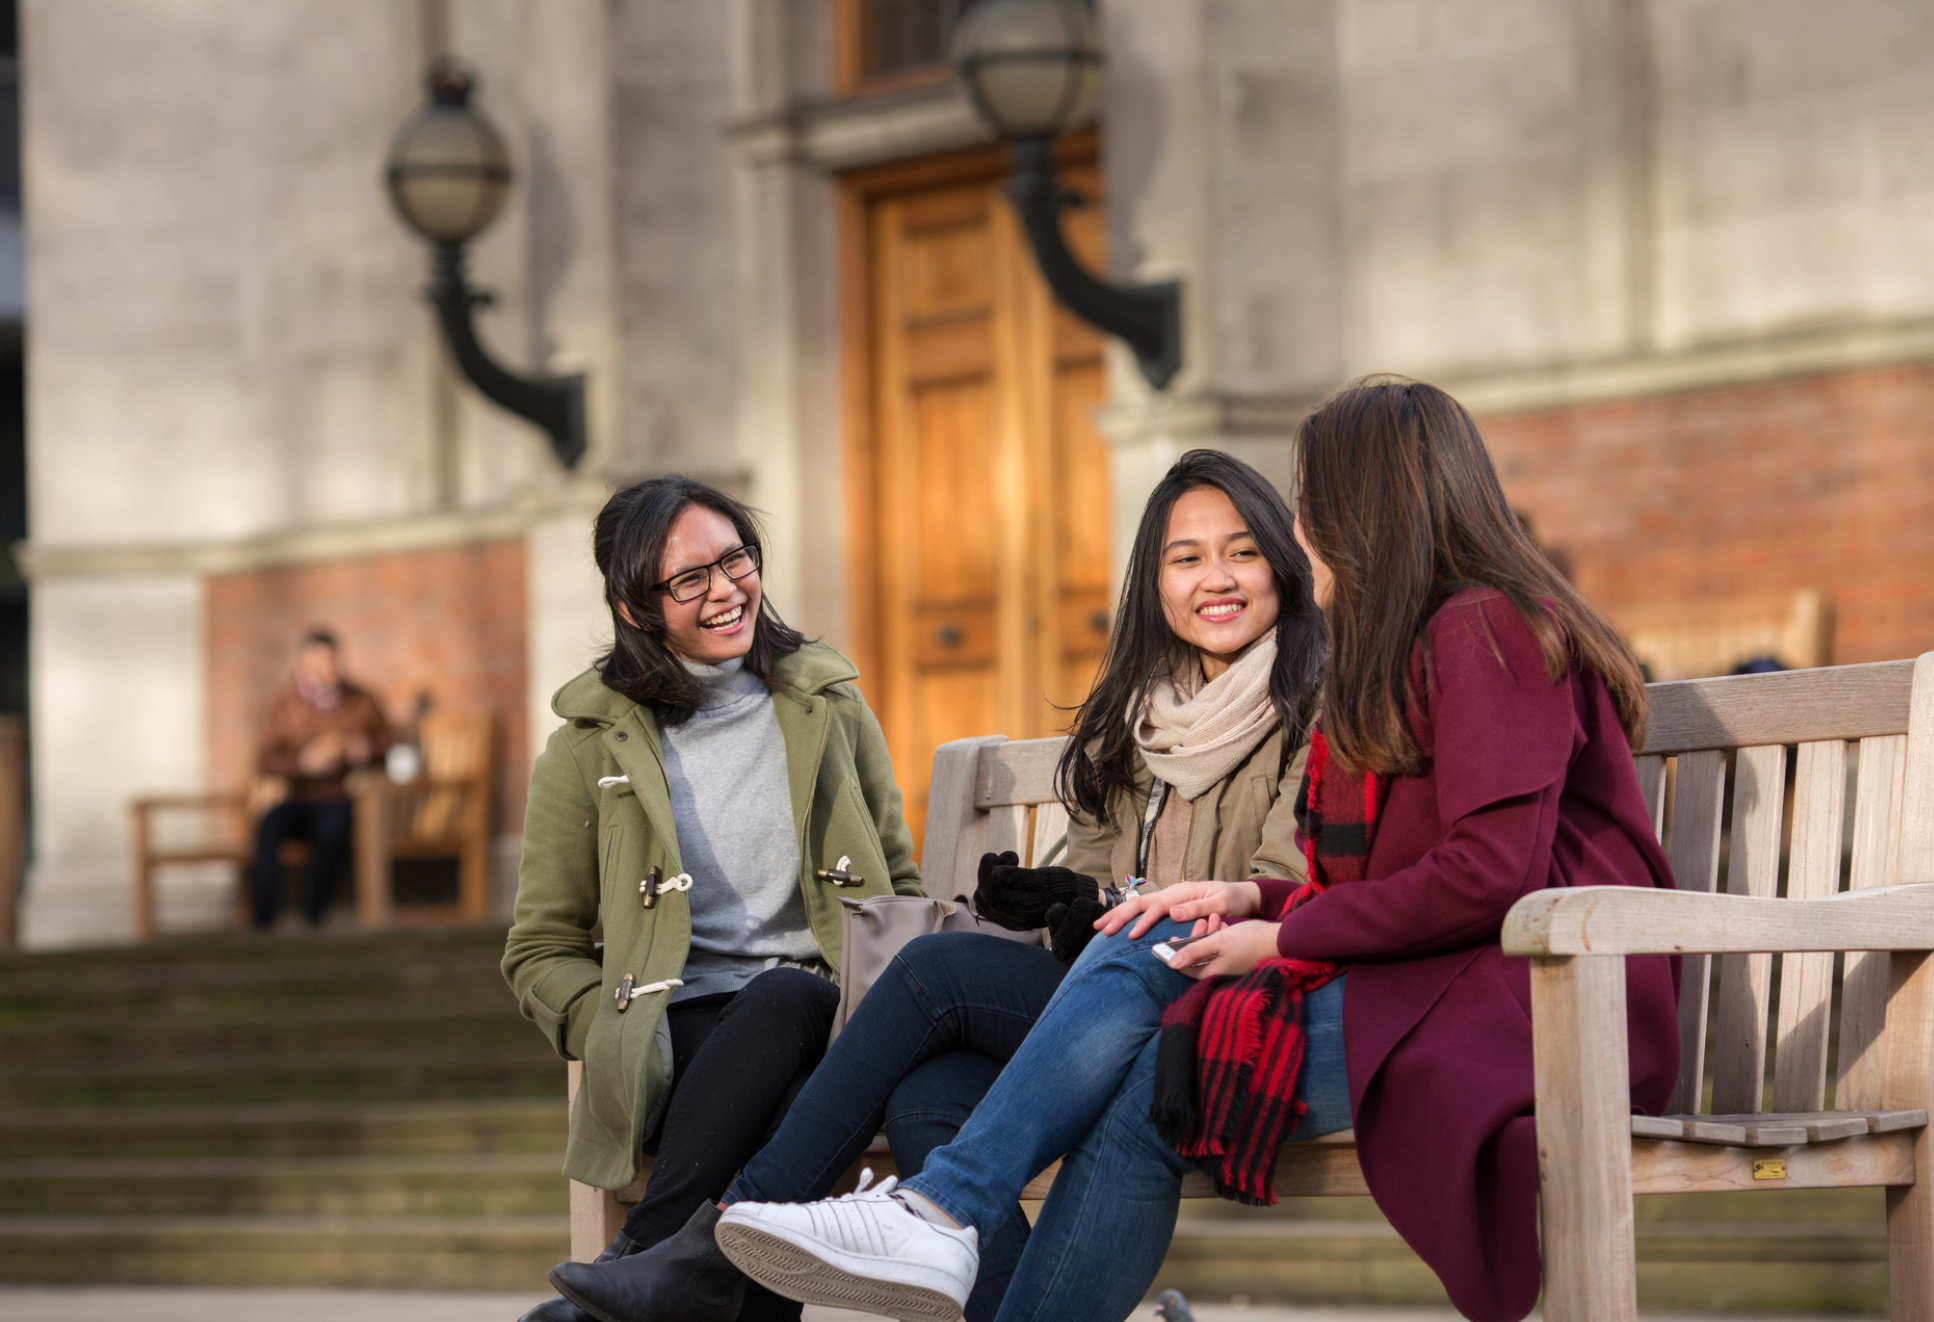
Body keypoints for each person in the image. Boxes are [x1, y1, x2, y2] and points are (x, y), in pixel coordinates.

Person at [716, 377, 1682, 1322]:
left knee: (1155, 1069)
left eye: (1307, 508)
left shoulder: (1487, 629)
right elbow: (1419, 876)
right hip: (1444, 979)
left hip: (1539, 1003)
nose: (1302, 534)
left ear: (1367, 507)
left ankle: (937, 1209)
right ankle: (941, 1211)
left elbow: (1489, 875)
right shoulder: (1423, 641)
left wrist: (1283, 935)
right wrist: (1253, 904)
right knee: (1157, 970)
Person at [545, 449, 1326, 1322]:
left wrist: (1104, 912)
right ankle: (709, 1257)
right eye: (1187, 558)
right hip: (1113, 991)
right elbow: (1094, 871)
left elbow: (1284, 884)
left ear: (1283, 566)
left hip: (1232, 991)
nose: (1214, 579)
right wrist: (1057, 900)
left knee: (930, 976)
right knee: (930, 1093)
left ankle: (707, 1249)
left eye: (1242, 551)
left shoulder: (1318, 700)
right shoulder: (1138, 709)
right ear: (1155, 578)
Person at [503, 475, 924, 1322]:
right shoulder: (587, 749)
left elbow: (898, 885)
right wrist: (615, 1031)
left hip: (839, 1017)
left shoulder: (827, 702)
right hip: (682, 1030)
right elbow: (539, 950)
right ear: (634, 608)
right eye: (689, 579)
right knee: (783, 1026)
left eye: (736, 559)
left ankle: (644, 1265)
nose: (727, 590)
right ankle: (662, 1272)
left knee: (795, 1001)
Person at [249, 628, 390, 928]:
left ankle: (313, 917)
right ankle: (262, 923)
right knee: (267, 827)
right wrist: (302, 763)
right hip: (298, 796)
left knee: (333, 830)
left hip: (341, 796)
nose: (329, 669)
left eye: (332, 661)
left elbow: (387, 743)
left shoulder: (361, 700)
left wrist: (364, 750)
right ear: (302, 664)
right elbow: (265, 758)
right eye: (320, 663)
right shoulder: (284, 705)